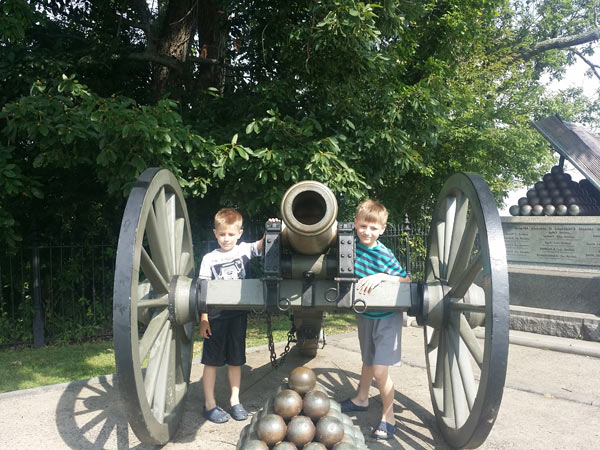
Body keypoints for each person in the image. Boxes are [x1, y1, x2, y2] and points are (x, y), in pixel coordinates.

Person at [340, 199, 411, 440]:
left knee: (380, 370)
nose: (367, 232)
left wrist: (382, 276)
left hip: (387, 316)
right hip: (366, 315)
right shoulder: (349, 247)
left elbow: (406, 280)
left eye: (373, 228)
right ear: (356, 224)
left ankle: (388, 416)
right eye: (363, 226)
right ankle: (361, 398)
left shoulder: (383, 253)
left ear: (381, 229)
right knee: (368, 360)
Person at [199, 208, 275, 424]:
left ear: (239, 233)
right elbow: (202, 292)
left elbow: (261, 245)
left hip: (237, 314)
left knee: (235, 360)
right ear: (215, 233)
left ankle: (235, 400)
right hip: (215, 316)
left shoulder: (242, 251)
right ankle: (209, 404)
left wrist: (270, 230)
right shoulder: (209, 259)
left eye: (231, 234)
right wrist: (204, 318)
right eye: (222, 234)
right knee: (211, 362)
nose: (226, 239)